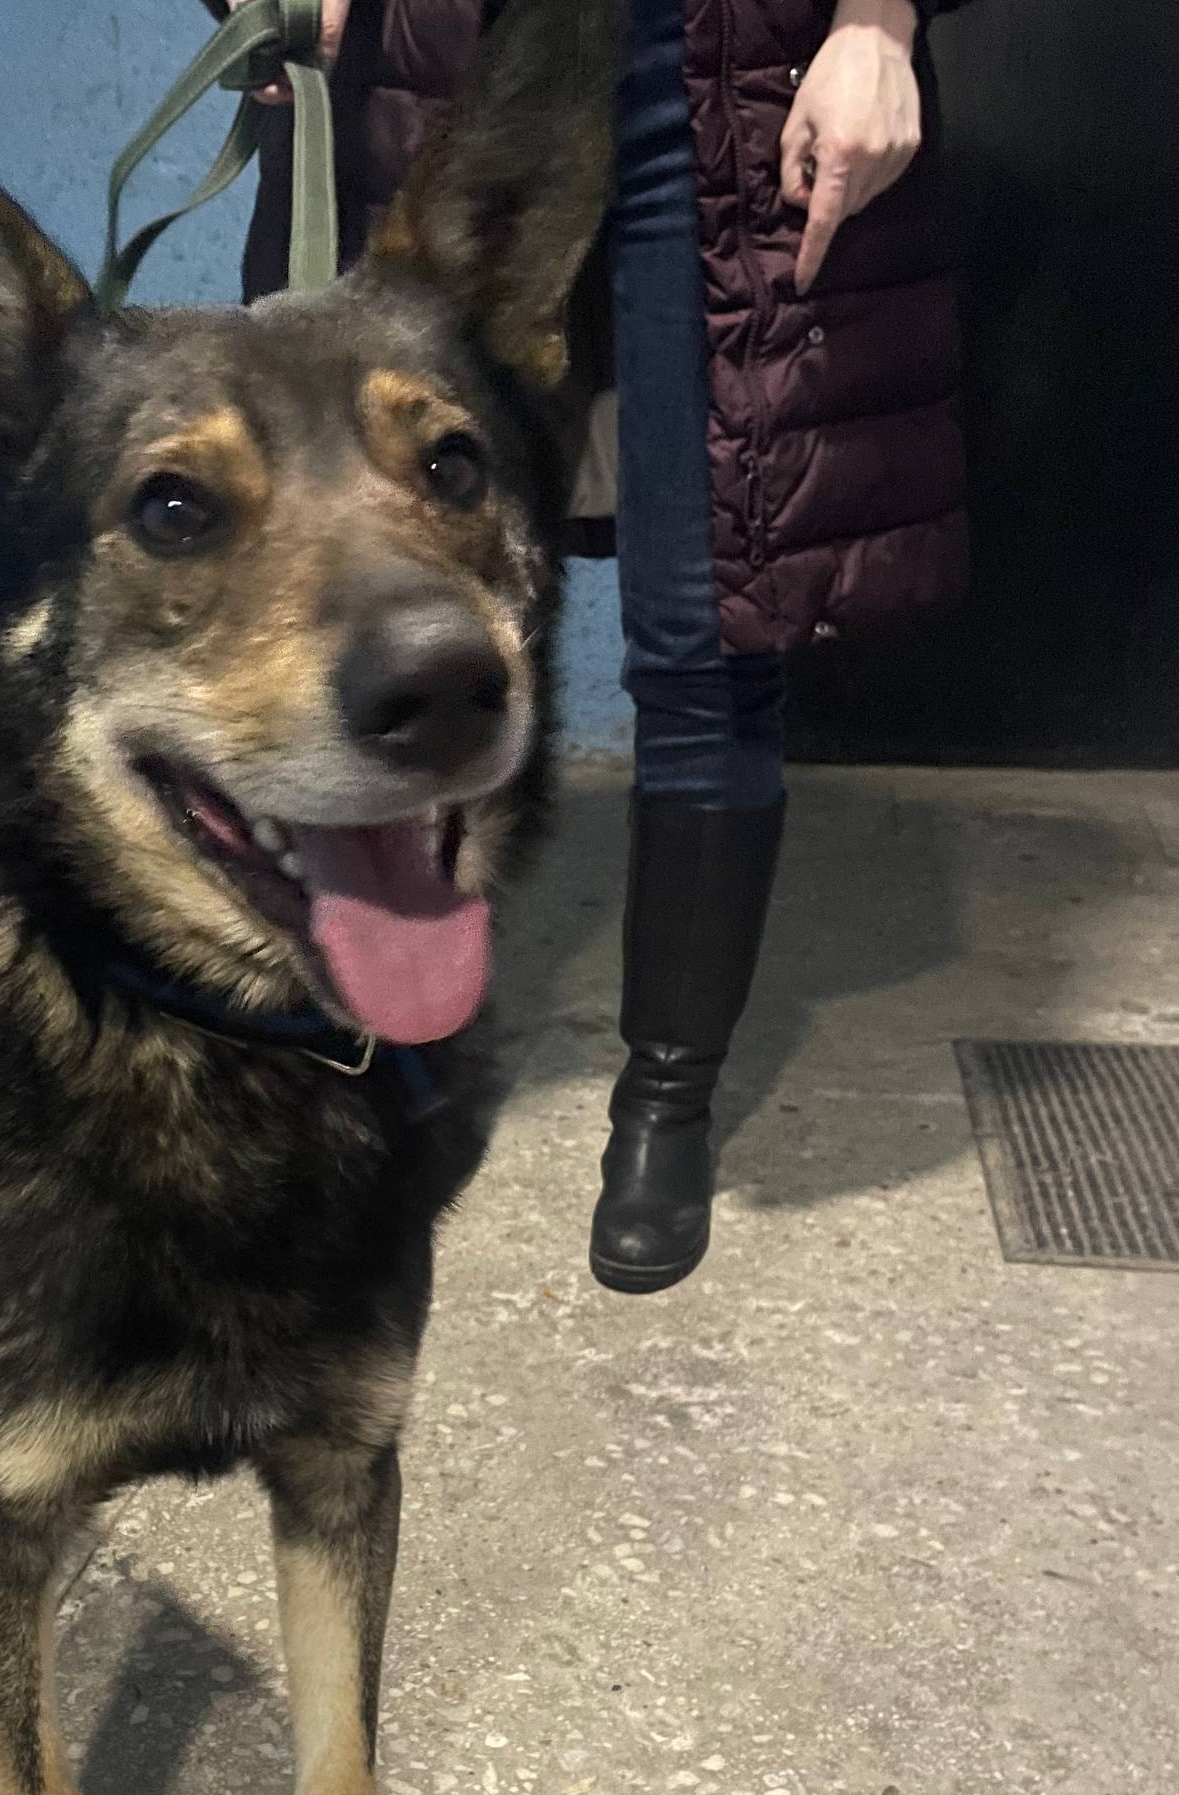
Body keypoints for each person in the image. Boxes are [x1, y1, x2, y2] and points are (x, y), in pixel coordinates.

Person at [227, 0, 976, 1291]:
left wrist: (879, 19)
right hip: (430, 73)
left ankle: (666, 1101)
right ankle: (361, 1051)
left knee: (705, 626)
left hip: (722, 75)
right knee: (383, 598)